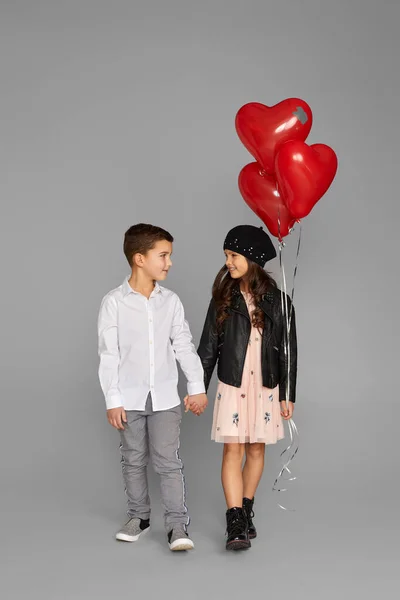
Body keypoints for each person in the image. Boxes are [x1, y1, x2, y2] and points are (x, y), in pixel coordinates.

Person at [97, 223, 208, 551]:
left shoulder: (170, 301)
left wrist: (197, 385)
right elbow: (109, 353)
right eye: (163, 255)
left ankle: (177, 526)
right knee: (133, 459)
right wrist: (112, 398)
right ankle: (139, 517)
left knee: (167, 460)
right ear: (139, 259)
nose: (169, 262)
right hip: (128, 397)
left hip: (165, 396)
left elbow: (183, 345)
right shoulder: (114, 303)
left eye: (169, 256)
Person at [196, 224, 298, 551]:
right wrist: (198, 387)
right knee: (233, 449)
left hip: (265, 387)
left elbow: (289, 351)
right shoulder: (223, 299)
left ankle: (246, 508)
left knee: (256, 449)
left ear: (251, 258)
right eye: (226, 255)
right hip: (233, 386)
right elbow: (208, 347)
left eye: (234, 255)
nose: (228, 261)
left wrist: (287, 394)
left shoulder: (279, 303)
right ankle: (235, 519)